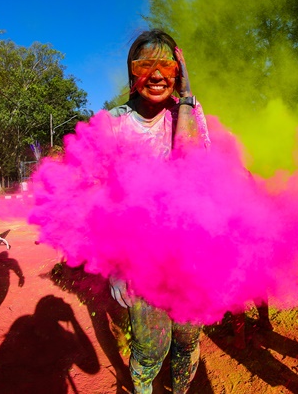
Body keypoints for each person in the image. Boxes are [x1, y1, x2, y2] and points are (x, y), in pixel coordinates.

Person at [107, 29, 209, 394]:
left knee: (186, 338)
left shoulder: (190, 114)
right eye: (144, 64)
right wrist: (117, 266)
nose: (155, 74)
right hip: (140, 256)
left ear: (178, 71)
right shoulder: (113, 124)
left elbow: (192, 170)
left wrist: (185, 100)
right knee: (151, 348)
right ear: (132, 73)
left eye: (165, 64)